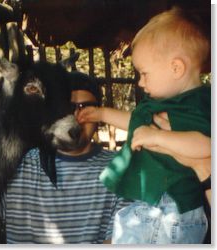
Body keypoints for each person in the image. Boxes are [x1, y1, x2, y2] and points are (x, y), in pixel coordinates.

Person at [78, 7, 211, 244]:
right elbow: (136, 125)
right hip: (152, 207)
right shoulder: (162, 103)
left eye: (144, 73)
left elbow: (206, 146)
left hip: (175, 210)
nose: (140, 82)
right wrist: (102, 113)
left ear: (176, 68)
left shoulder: (199, 103)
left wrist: (158, 138)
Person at [4, 74, 131, 244]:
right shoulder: (15, 165)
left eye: (86, 107)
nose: (77, 117)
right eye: (67, 107)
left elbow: (119, 240)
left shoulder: (121, 169)